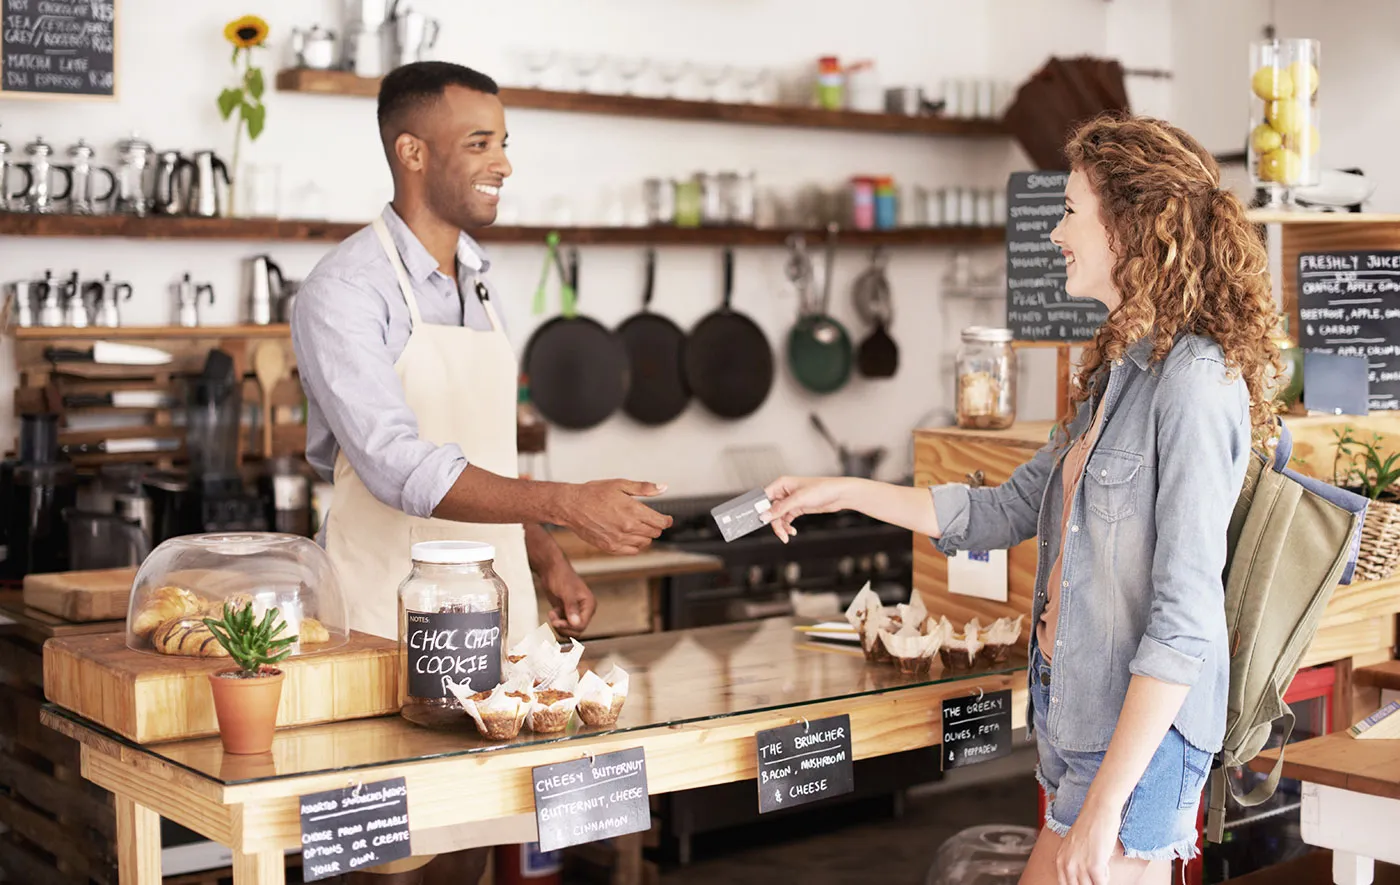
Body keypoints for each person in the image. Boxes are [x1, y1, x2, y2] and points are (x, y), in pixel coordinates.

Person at [764, 114, 1281, 885]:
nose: (1054, 233)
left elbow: (1185, 621)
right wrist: (840, 491)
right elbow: (1000, 511)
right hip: (1080, 733)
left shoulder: (1196, 383)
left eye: (1071, 210)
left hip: (1134, 758)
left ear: (1131, 224)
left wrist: (1105, 804)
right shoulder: (1120, 373)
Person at [291, 61, 672, 884]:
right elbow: (398, 465)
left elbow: (478, 451)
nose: (503, 162)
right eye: (479, 142)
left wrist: (542, 550)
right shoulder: (344, 291)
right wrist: (565, 502)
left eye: (504, 142)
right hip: (386, 622)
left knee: (468, 851)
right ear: (412, 152)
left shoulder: (480, 278)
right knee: (388, 861)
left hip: (495, 620)